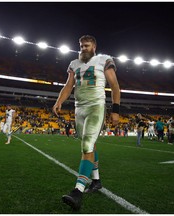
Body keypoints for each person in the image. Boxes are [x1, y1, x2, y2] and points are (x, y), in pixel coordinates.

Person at [52, 35, 120, 210]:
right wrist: (59, 101)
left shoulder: (104, 60)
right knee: (89, 144)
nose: (83, 48)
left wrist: (116, 110)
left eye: (87, 46)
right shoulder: (74, 63)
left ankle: (77, 191)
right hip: (79, 109)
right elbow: (68, 86)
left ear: (94, 46)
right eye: (81, 46)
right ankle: (96, 181)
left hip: (96, 107)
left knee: (87, 145)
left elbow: (114, 85)